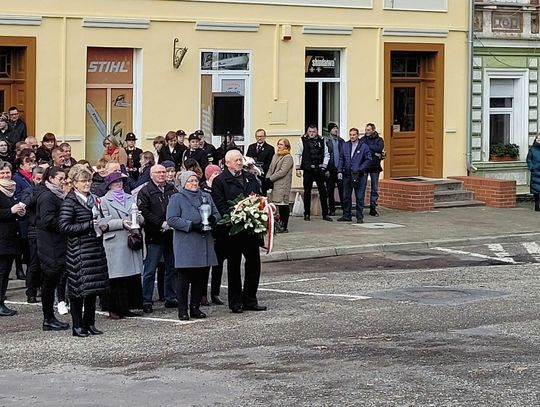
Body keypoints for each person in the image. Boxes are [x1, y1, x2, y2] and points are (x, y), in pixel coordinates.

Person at [211, 149, 267, 313]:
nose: (239, 162)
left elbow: (259, 198)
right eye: (236, 160)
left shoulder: (250, 177)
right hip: (232, 231)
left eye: (240, 159)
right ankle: (235, 302)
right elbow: (220, 204)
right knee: (234, 266)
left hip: (250, 230)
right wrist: (235, 216)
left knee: (254, 264)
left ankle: (250, 299)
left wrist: (256, 214)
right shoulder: (220, 181)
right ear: (227, 163)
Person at [59, 164, 109, 337]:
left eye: (89, 180)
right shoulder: (70, 202)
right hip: (79, 251)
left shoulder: (94, 199)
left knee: (92, 289)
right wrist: (87, 225)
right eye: (83, 181)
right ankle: (77, 325)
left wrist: (104, 225)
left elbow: (100, 218)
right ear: (75, 183)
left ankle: (90, 323)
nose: (87, 184)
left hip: (94, 247)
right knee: (78, 290)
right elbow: (64, 226)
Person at [167, 171, 220, 320]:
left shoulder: (206, 196)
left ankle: (195, 307)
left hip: (204, 242)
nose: (194, 183)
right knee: (184, 279)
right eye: (190, 181)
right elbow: (171, 219)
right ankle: (182, 309)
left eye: (196, 180)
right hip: (186, 243)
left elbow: (217, 213)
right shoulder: (177, 198)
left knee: (201, 277)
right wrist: (191, 225)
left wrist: (213, 219)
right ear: (184, 183)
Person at [100, 172, 144, 319]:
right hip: (115, 242)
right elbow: (102, 222)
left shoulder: (130, 197)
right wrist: (121, 223)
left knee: (130, 277)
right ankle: (113, 308)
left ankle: (127, 307)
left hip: (131, 240)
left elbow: (140, 218)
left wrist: (137, 218)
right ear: (109, 185)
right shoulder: (103, 201)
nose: (119, 184)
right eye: (115, 182)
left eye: (121, 181)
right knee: (116, 278)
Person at [137, 164, 178, 313]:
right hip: (154, 235)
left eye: (163, 172)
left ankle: (170, 297)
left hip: (171, 234)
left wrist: (172, 222)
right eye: (158, 172)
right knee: (150, 270)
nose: (162, 174)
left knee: (172, 268)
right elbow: (144, 211)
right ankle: (146, 300)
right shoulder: (145, 191)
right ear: (151, 175)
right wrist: (160, 223)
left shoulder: (172, 189)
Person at [35, 166, 70, 331]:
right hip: (50, 245)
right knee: (49, 282)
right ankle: (48, 318)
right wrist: (66, 221)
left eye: (64, 178)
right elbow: (48, 220)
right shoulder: (47, 196)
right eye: (60, 179)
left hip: (57, 243)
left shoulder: (57, 195)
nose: (63, 181)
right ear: (50, 179)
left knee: (52, 280)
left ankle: (49, 317)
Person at [0, 160, 26, 316]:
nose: (5, 175)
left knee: (5, 272)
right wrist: (10, 210)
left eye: (7, 172)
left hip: (11, 238)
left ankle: (1, 301)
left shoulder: (11, 190)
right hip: (2, 239)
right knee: (1, 272)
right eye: (2, 173)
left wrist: (20, 212)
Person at [20, 166, 46, 304]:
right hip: (34, 230)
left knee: (45, 263)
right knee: (34, 263)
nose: (40, 182)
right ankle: (31, 292)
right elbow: (26, 204)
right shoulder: (28, 191)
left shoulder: (46, 191)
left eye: (42, 179)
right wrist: (37, 193)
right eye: (38, 179)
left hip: (45, 230)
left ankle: (42, 288)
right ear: (33, 178)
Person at [295, 124, 332, 222]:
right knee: (307, 192)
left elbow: (327, 154)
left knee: (323, 192)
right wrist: (297, 168)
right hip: (308, 170)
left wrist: (324, 166)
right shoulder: (302, 140)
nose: (311, 133)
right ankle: (307, 213)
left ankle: (325, 214)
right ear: (307, 132)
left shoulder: (322, 140)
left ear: (316, 132)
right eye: (310, 132)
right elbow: (298, 154)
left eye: (313, 132)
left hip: (319, 169)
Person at [200, 164, 225, 305]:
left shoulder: (221, 187)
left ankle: (215, 293)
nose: (217, 176)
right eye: (215, 174)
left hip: (219, 231)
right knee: (205, 266)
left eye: (219, 173)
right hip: (207, 231)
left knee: (218, 265)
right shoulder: (203, 190)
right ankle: (202, 294)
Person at [337, 128, 373, 224]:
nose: (352, 136)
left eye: (354, 135)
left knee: (359, 197)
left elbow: (369, 159)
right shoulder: (345, 145)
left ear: (358, 135)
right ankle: (347, 215)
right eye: (351, 135)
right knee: (346, 196)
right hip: (347, 174)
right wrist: (339, 170)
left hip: (360, 175)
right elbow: (341, 158)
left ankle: (359, 216)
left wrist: (360, 168)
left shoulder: (364, 146)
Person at [266, 138, 294, 233]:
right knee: (276, 205)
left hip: (282, 184)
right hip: (274, 184)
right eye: (278, 144)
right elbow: (271, 168)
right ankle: (277, 225)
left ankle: (284, 226)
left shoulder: (288, 157)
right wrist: (267, 178)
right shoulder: (276, 155)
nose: (279, 146)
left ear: (286, 146)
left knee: (283, 205)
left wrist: (271, 178)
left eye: (281, 144)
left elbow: (282, 171)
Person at [360, 123, 385, 217]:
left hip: (375, 166)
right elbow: (363, 149)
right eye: (366, 130)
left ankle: (373, 208)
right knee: (362, 188)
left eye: (368, 130)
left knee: (374, 188)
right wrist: (375, 153)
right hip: (364, 166)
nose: (366, 132)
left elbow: (379, 148)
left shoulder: (379, 140)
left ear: (373, 130)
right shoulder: (362, 139)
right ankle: (360, 207)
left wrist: (369, 148)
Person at [246, 129, 275, 195]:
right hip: (252, 175)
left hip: (263, 176)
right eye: (258, 136)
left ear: (265, 137)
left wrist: (259, 169)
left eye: (261, 136)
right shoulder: (251, 147)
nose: (259, 138)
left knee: (262, 195)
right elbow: (247, 159)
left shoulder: (270, 148)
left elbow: (270, 163)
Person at [325, 123, 345, 216]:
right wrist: (326, 169)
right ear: (330, 130)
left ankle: (345, 209)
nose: (336, 130)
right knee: (330, 190)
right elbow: (324, 155)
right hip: (330, 169)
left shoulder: (341, 141)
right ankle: (332, 209)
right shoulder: (326, 141)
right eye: (333, 128)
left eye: (336, 128)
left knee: (342, 190)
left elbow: (344, 155)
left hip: (339, 169)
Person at [527, 133, 540, 211]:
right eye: (538, 139)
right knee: (536, 191)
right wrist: (532, 167)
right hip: (535, 172)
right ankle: (537, 206)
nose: (539, 140)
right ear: (535, 139)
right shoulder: (532, 149)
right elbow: (529, 159)